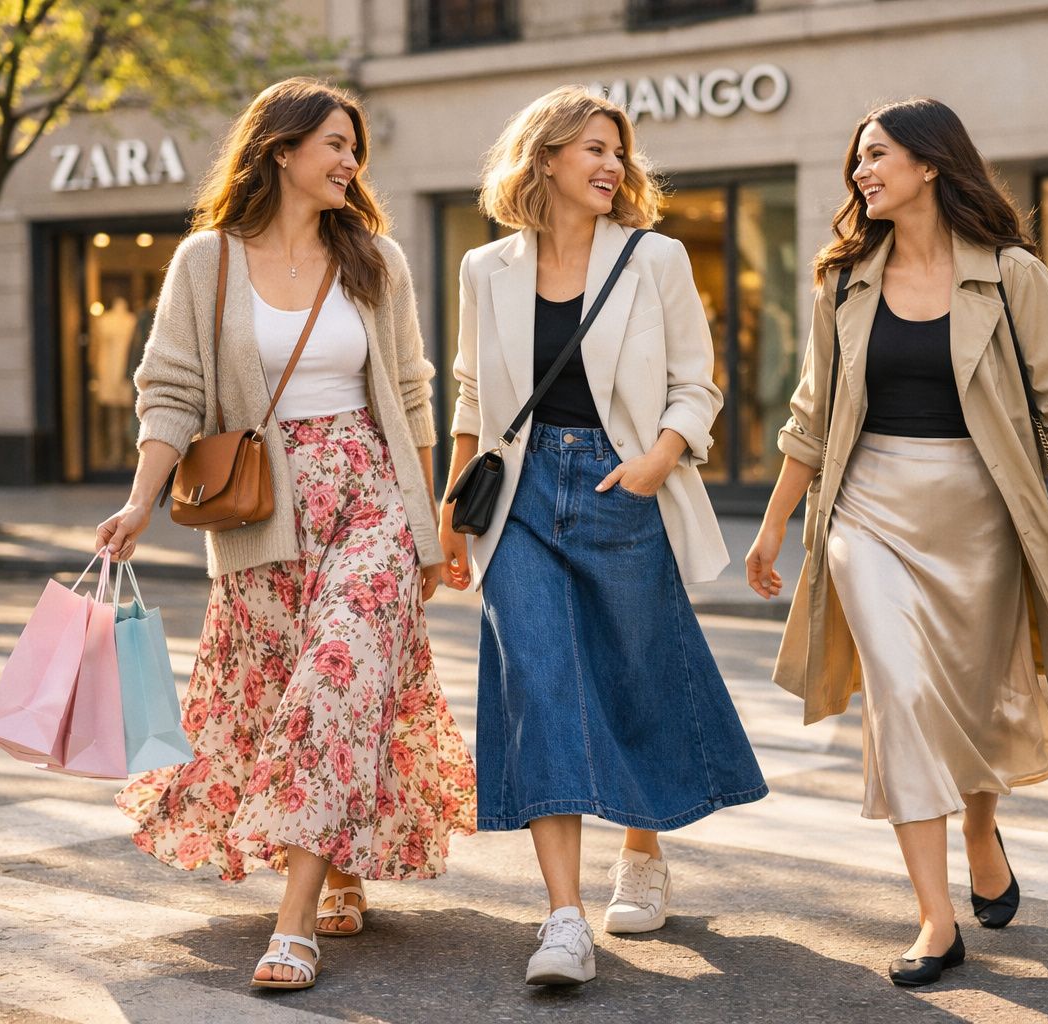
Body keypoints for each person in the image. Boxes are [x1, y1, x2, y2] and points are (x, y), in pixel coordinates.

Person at [745, 98, 1048, 988]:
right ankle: (935, 920)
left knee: (972, 702)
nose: (861, 172)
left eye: (877, 155)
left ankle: (981, 831)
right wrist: (777, 520)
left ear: (930, 163)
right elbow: (813, 414)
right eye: (858, 158)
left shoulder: (1012, 275)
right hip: (868, 507)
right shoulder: (845, 280)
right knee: (900, 694)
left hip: (983, 509)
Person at [94, 77, 475, 991]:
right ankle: (337, 866)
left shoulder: (375, 259)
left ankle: (294, 923)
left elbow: (411, 394)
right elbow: (171, 390)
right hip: (261, 506)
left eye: (356, 148)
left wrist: (426, 523)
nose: (351, 161)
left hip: (371, 497)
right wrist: (141, 501)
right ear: (281, 150)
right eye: (336, 144)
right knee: (281, 695)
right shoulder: (208, 261)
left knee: (339, 673)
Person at [440, 85, 767, 988]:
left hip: (620, 482)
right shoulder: (486, 269)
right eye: (593, 148)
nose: (612, 165)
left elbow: (697, 384)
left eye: (618, 151)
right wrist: (452, 509)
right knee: (541, 686)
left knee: (634, 675)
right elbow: (472, 394)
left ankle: (643, 850)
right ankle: (563, 918)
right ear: (544, 158)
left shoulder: (655, 258)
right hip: (518, 494)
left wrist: (659, 458)